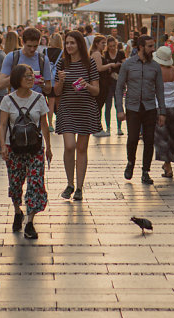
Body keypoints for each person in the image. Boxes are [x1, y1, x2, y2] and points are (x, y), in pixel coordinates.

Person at [0, 63, 52, 239]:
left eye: (32, 76)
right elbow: (3, 125)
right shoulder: (8, 100)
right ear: (17, 79)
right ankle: (17, 211)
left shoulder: (39, 98)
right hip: (14, 148)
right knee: (15, 184)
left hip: (35, 148)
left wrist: (48, 147)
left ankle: (30, 222)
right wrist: (2, 146)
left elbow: (44, 124)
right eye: (27, 76)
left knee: (35, 182)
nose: (31, 79)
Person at [53, 30, 101, 201]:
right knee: (69, 146)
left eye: (72, 43)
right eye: (67, 43)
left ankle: (79, 187)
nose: (69, 46)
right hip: (66, 109)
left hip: (85, 109)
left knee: (81, 149)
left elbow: (96, 91)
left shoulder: (90, 64)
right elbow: (56, 91)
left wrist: (86, 85)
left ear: (80, 44)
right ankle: (69, 183)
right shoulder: (62, 64)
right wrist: (60, 81)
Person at [115, 35, 166, 185]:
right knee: (132, 139)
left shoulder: (155, 66)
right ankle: (130, 162)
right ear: (141, 47)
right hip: (133, 107)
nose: (153, 49)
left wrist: (162, 111)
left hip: (150, 107)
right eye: (150, 46)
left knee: (149, 140)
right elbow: (119, 88)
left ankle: (145, 171)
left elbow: (160, 90)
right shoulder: (128, 64)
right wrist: (120, 109)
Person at [153, 46, 174, 179]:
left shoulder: (155, 71)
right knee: (173, 137)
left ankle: (167, 166)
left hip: (159, 109)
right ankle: (169, 163)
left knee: (162, 138)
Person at [0, 27, 52, 97]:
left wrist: (42, 85)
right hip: (16, 102)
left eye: (35, 46)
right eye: (29, 46)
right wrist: (18, 74)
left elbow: (48, 89)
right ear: (22, 42)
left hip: (35, 102)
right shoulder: (12, 57)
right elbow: (1, 84)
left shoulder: (43, 59)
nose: (32, 49)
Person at [102, 35, 125, 135]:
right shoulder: (105, 54)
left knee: (118, 104)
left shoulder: (121, 53)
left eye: (113, 46)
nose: (112, 48)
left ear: (116, 45)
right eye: (110, 46)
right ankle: (108, 128)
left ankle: (119, 128)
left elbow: (125, 66)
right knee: (108, 105)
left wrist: (119, 66)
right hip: (108, 83)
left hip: (119, 82)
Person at [90, 35, 111, 136]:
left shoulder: (95, 53)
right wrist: (110, 65)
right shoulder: (97, 54)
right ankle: (97, 128)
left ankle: (97, 127)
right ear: (97, 44)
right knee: (98, 106)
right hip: (101, 83)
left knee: (98, 106)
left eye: (105, 43)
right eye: (102, 43)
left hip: (101, 82)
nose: (104, 45)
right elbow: (99, 68)